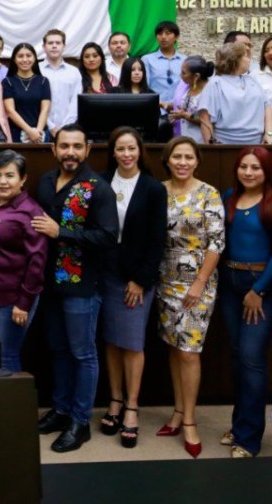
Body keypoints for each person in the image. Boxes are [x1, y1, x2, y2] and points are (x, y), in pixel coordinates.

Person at [33, 124, 118, 453]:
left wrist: (61, 233)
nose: (70, 152)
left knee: (83, 353)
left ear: (87, 149)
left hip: (82, 285)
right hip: (49, 284)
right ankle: (62, 409)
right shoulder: (44, 182)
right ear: (54, 149)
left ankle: (80, 422)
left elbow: (108, 237)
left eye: (76, 146)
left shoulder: (98, 188)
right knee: (58, 349)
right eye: (64, 146)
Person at [219, 147, 272, 458]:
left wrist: (259, 290)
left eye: (256, 168)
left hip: (261, 286)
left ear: (267, 171)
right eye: (243, 167)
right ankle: (239, 425)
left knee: (252, 358)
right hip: (229, 283)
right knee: (238, 357)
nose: (249, 173)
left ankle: (249, 439)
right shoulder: (228, 197)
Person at [155, 136, 225, 458]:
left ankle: (191, 422)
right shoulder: (157, 191)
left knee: (189, 351)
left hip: (198, 283)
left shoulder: (208, 193)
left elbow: (216, 243)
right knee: (173, 345)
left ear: (197, 160)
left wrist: (198, 283)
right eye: (176, 157)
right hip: (164, 281)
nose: (182, 162)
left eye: (188, 157)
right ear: (167, 160)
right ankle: (177, 411)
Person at [98, 127, 166, 450]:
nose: (126, 154)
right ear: (112, 152)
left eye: (131, 148)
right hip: (106, 273)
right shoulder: (100, 182)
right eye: (120, 149)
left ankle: (132, 408)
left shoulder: (153, 189)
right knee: (111, 340)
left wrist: (140, 280)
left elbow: (157, 241)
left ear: (140, 151)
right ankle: (114, 399)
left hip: (136, 277)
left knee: (132, 342)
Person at [0, 150, 46, 372]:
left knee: (6, 356)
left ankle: (12, 407)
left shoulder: (30, 212)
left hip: (12, 299)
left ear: (23, 179)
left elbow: (37, 261)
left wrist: (24, 303)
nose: (2, 181)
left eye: (10, 175)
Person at [196, 42, 272, 146]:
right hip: (225, 146)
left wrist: (269, 134)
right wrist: (211, 147)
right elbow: (205, 118)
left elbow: (267, 107)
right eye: (246, 56)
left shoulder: (252, 81)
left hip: (256, 144)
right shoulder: (215, 83)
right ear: (235, 59)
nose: (249, 60)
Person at [2, 43, 51, 143]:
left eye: (28, 56)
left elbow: (45, 109)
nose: (25, 60)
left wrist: (38, 132)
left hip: (41, 134)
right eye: (20, 56)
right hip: (16, 133)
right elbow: (10, 111)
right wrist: (29, 131)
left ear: (34, 58)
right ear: (14, 60)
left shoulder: (43, 81)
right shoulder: (8, 82)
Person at [142, 21, 186, 130]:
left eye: (168, 33)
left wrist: (175, 104)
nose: (163, 37)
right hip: (156, 112)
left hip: (180, 112)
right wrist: (161, 104)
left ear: (176, 36)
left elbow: (188, 88)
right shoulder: (147, 59)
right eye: (160, 34)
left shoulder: (185, 60)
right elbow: (144, 88)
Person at [40, 30, 83, 138]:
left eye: (58, 43)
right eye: (50, 43)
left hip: (68, 129)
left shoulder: (74, 72)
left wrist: (64, 127)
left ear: (64, 46)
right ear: (44, 47)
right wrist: (51, 126)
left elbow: (75, 102)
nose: (54, 46)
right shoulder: (36, 70)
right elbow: (34, 101)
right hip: (40, 128)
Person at [169, 56, 214, 144]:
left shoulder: (210, 92)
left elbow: (210, 121)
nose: (180, 75)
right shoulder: (188, 87)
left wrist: (185, 115)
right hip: (186, 140)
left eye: (184, 73)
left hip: (201, 142)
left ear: (196, 76)